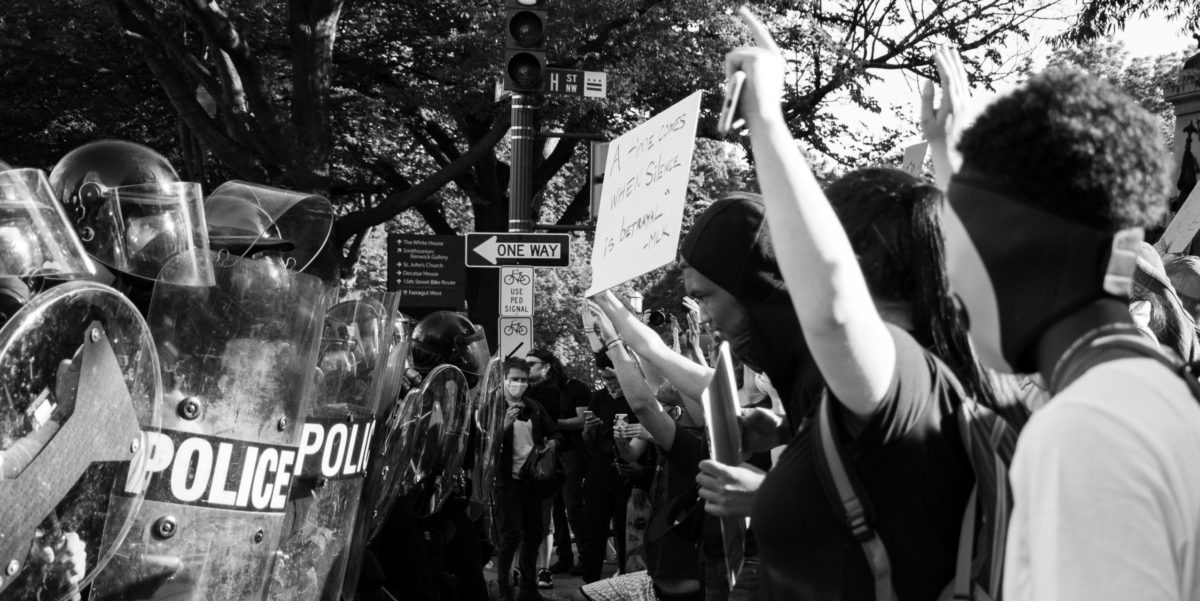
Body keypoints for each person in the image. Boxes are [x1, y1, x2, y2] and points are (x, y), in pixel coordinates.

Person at [696, 11, 1006, 600]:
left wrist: (767, 120)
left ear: (859, 260)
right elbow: (957, 261)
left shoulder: (907, 383)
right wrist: (949, 153)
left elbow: (834, 311)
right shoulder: (974, 363)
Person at [928, 52, 1200, 599]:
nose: (951, 292)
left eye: (954, 252)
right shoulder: (1154, 390)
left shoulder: (1084, 429)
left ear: (1019, 249)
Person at [496, 357, 562, 601]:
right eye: (514, 379)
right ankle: (505, 591)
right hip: (507, 481)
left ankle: (528, 589)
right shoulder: (494, 407)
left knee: (533, 534)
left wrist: (552, 443)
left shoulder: (533, 406)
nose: (519, 384)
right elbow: (480, 445)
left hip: (532, 480)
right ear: (504, 379)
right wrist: (503, 426)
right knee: (510, 536)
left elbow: (554, 431)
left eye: (523, 380)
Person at [526, 349, 590, 578]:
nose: (527, 367)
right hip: (546, 454)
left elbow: (582, 420)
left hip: (569, 452)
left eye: (532, 364)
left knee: (573, 506)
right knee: (556, 509)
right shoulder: (534, 389)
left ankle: (586, 558)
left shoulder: (576, 388)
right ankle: (564, 557)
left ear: (547, 366)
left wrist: (552, 424)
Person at [579, 351, 637, 584]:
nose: (606, 376)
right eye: (602, 371)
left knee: (626, 533)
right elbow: (589, 441)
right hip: (600, 469)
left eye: (611, 370)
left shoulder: (636, 396)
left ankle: (626, 582)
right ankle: (589, 584)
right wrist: (589, 430)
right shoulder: (599, 398)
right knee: (594, 530)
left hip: (628, 470)